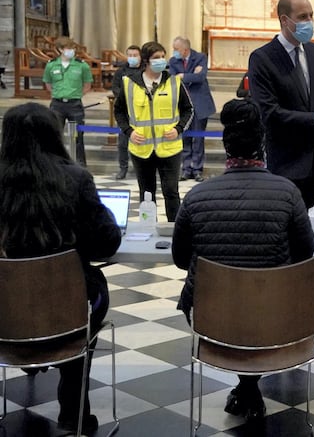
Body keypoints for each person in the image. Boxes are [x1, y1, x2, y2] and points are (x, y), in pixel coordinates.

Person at [172, 98, 314, 422]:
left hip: (212, 321)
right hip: (276, 319)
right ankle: (249, 385)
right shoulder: (287, 192)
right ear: (262, 144)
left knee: (233, 307)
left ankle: (246, 386)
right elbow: (305, 251)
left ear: (225, 147)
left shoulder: (196, 196)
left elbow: (181, 259)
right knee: (260, 300)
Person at [0, 102, 121, 434]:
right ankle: (73, 407)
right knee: (85, 296)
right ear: (54, 135)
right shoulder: (76, 178)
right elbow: (106, 243)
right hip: (69, 306)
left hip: (4, 311)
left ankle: (23, 349)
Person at [248, 0, 314, 209]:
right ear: (285, 20)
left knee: (311, 230)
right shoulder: (263, 58)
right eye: (303, 17)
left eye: (311, 16)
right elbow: (269, 112)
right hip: (284, 162)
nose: (309, 22)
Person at [114, 41, 193, 221]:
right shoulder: (129, 84)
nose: (161, 61)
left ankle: (175, 229)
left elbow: (189, 110)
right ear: (146, 61)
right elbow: (119, 111)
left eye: (163, 57)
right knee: (146, 193)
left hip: (169, 147)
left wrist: (178, 128)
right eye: (156, 58)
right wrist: (129, 132)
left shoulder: (174, 82)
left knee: (171, 191)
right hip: (141, 148)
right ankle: (147, 229)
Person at [169, 36, 216, 182]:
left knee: (198, 138)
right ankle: (186, 169)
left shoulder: (200, 57)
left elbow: (200, 77)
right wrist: (190, 75)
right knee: (185, 138)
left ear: (185, 49)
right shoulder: (173, 61)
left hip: (200, 103)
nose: (174, 52)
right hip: (182, 105)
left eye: (176, 49)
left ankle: (197, 170)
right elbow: (173, 79)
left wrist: (183, 75)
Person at [42, 36, 94, 166]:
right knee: (55, 135)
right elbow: (48, 84)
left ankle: (80, 164)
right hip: (57, 104)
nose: (72, 51)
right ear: (59, 50)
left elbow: (87, 85)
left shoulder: (82, 65)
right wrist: (58, 93)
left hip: (74, 104)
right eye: (68, 48)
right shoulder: (51, 65)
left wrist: (75, 94)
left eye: (73, 48)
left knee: (78, 136)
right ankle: (55, 163)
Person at [110, 44, 142, 180]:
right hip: (125, 111)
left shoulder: (145, 71)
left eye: (135, 55)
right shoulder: (121, 71)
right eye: (130, 55)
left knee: (141, 141)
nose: (132, 58)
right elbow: (115, 88)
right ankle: (123, 168)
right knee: (123, 143)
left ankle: (141, 169)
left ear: (140, 57)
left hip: (142, 111)